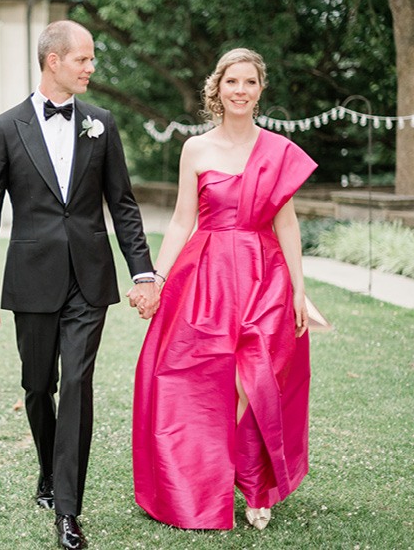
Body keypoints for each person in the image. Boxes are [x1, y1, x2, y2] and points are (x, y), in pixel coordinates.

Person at [0, 20, 159, 550]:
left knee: (76, 383)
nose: (91, 67)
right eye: (84, 58)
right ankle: (49, 471)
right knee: (39, 387)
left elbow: (122, 204)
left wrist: (142, 271)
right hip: (30, 280)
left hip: (89, 279)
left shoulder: (102, 123)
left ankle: (69, 513)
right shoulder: (4, 128)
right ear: (54, 61)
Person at [131, 48, 316, 531]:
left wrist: (299, 288)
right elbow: (180, 221)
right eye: (232, 82)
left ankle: (255, 484)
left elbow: (288, 225)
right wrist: (155, 277)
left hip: (264, 274)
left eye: (250, 82)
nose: (240, 90)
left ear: (260, 90)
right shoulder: (196, 149)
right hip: (206, 277)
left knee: (255, 377)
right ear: (218, 88)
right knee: (194, 377)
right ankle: (201, 479)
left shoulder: (277, 150)